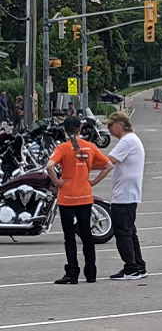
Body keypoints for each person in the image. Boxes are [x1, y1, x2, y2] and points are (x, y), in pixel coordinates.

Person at [47, 116, 113, 284]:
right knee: (87, 237)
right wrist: (93, 182)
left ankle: (72, 272)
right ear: (79, 129)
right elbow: (108, 165)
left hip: (67, 198)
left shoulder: (62, 148)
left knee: (69, 237)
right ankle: (91, 273)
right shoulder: (90, 147)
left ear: (64, 129)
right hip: (84, 196)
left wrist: (57, 181)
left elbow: (49, 166)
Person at [106, 112, 147, 281]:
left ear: (121, 124)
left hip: (124, 195)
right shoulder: (132, 140)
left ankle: (131, 267)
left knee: (123, 232)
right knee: (130, 231)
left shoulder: (127, 141)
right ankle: (138, 265)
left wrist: (83, 165)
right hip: (129, 193)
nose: (109, 129)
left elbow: (107, 161)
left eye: (111, 125)